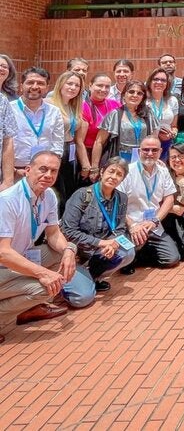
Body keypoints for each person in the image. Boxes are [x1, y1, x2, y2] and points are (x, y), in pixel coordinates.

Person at [0, 151, 87, 340]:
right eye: (43, 169)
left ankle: (27, 308)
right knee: (45, 287)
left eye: (53, 171)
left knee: (59, 256)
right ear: (28, 170)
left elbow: (53, 233)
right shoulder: (7, 200)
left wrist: (69, 250)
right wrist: (43, 273)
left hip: (19, 258)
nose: (48, 175)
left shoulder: (49, 196)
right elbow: (3, 253)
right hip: (3, 263)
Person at [61, 157, 135, 293]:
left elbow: (119, 228)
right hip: (77, 251)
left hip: (101, 249)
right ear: (102, 172)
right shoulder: (82, 195)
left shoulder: (121, 198)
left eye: (119, 175)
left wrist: (114, 244)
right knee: (82, 297)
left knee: (128, 251)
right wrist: (101, 243)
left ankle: (94, 277)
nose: (114, 177)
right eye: (111, 171)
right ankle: (77, 278)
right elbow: (68, 231)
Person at [118, 136, 180, 273]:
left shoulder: (163, 171)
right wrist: (133, 225)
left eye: (154, 150)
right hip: (132, 227)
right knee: (123, 257)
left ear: (160, 151)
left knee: (172, 259)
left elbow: (169, 199)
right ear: (139, 151)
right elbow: (118, 204)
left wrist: (155, 220)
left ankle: (139, 254)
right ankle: (132, 254)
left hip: (154, 225)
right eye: (146, 150)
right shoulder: (127, 172)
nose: (150, 153)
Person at [91, 80, 159, 171]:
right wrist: (94, 168)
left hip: (143, 160)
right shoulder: (115, 114)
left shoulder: (149, 114)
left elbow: (154, 142)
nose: (135, 95)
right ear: (124, 94)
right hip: (120, 160)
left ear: (143, 97)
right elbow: (99, 142)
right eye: (131, 92)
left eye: (139, 93)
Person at [11, 68, 64, 178]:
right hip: (14, 172)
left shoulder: (54, 112)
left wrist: (50, 169)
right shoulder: (9, 109)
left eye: (40, 83)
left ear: (47, 88)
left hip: (44, 173)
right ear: (21, 86)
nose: (35, 87)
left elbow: (57, 144)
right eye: (30, 82)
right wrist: (14, 171)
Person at [46, 70, 86, 213]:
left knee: (68, 191)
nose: (73, 87)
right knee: (57, 193)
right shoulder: (48, 104)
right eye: (69, 83)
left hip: (70, 152)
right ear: (61, 84)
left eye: (77, 85)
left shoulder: (73, 106)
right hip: (55, 152)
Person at [82, 73, 121, 179]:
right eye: (99, 85)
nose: (103, 89)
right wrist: (90, 166)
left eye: (107, 86)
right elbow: (79, 141)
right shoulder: (83, 107)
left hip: (109, 153)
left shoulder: (115, 105)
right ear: (90, 86)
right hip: (87, 154)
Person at [145, 67, 179, 161]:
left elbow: (174, 126)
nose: (159, 82)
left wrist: (173, 133)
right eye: (156, 79)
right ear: (150, 82)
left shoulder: (172, 100)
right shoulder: (143, 100)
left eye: (163, 80)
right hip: (147, 145)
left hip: (166, 144)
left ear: (167, 84)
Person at [0, 56, 16, 189]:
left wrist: (8, 180)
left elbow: (8, 140)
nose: (1, 69)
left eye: (4, 66)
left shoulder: (3, 101)